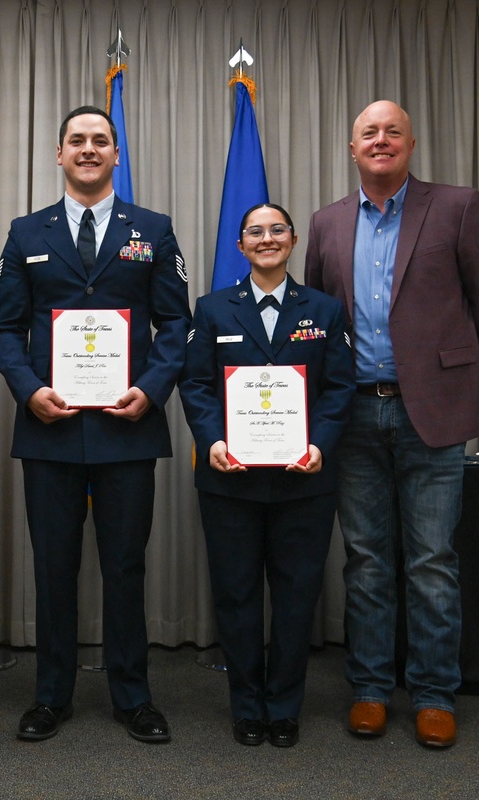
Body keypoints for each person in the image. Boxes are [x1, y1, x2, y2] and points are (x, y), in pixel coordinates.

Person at [304, 100, 479, 748]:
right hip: (355, 412)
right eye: (369, 131)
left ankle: (432, 693)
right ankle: (370, 688)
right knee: (365, 561)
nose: (381, 139)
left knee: (431, 562)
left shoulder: (455, 206)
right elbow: (316, 313)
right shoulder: (326, 223)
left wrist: (444, 364)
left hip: (434, 411)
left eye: (393, 130)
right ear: (352, 146)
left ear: (411, 142)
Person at [0, 106, 191, 743]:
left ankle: (133, 696)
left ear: (115, 153)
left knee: (125, 565)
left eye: (99, 141)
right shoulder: (26, 233)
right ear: (59, 154)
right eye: (76, 140)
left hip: (127, 425)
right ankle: (51, 695)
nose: (87, 149)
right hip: (49, 425)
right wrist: (28, 391)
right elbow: (2, 327)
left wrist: (151, 390)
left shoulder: (153, 230)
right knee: (53, 566)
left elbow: (177, 326)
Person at [179, 203, 354, 748]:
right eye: (255, 231)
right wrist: (212, 440)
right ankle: (247, 705)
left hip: (305, 480)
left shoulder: (324, 310)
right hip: (231, 479)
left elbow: (339, 388)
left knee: (298, 595)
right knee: (235, 595)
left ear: (294, 240)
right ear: (241, 246)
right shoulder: (211, 309)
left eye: (277, 229)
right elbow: (196, 385)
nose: (267, 238)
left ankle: (284, 707)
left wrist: (320, 443)